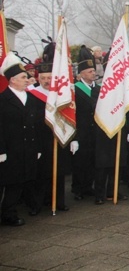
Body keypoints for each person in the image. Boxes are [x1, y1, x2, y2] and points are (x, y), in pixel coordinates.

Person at [25, 44, 71, 214]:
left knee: (59, 172)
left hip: (57, 136)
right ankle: (37, 204)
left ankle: (58, 201)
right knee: (41, 174)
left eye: (49, 77)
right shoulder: (31, 95)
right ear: (38, 78)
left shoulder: (60, 96)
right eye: (43, 77)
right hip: (40, 138)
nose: (46, 80)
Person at [0, 53, 41, 226]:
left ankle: (9, 213)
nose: (27, 79)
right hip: (9, 150)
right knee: (7, 183)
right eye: (23, 77)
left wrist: (37, 148)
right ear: (12, 80)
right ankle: (6, 213)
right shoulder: (2, 100)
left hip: (28, 149)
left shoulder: (32, 99)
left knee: (19, 183)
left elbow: (37, 126)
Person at [71, 46, 99, 202]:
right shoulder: (75, 90)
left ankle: (89, 186)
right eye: (89, 71)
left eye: (94, 71)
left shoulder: (98, 89)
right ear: (81, 74)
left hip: (94, 131)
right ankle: (78, 188)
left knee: (92, 160)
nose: (93, 73)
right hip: (81, 131)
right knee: (80, 162)